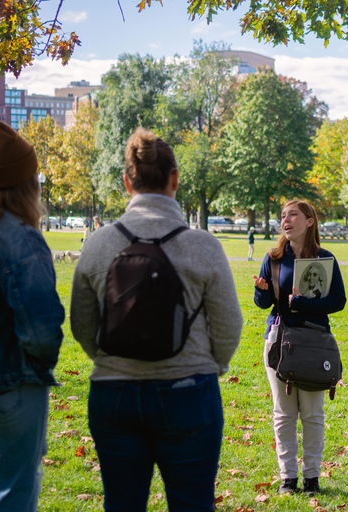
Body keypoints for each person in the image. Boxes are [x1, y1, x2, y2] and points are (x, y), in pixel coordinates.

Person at [70, 127, 243, 511]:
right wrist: (210, 364)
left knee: (123, 503)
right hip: (188, 390)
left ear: (126, 181)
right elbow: (229, 324)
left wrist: (110, 359)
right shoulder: (203, 245)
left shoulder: (99, 243)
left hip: (113, 393)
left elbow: (81, 323)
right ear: (175, 179)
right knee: (192, 503)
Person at [0, 119, 65, 511]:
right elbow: (43, 331)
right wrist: (39, 367)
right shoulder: (22, 239)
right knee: (12, 494)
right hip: (13, 384)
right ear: (27, 183)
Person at [253, 200, 346, 495]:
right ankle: (288, 479)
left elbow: (338, 301)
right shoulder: (274, 257)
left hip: (315, 343)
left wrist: (303, 303)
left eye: (293, 214)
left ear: (309, 222)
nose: (286, 220)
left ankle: (312, 478)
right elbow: (263, 304)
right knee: (283, 413)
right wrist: (261, 291)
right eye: (283, 216)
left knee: (313, 414)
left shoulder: (326, 259)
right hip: (279, 341)